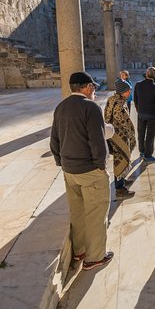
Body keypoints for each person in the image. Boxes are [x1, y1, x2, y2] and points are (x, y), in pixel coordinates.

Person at [50, 71, 115, 271]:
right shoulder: (91, 107)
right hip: (90, 170)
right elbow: (97, 141)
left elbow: (54, 140)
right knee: (96, 214)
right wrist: (100, 164)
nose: (94, 90)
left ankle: (79, 251)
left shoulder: (61, 107)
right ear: (86, 87)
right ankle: (94, 257)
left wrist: (61, 161)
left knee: (78, 212)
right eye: (93, 87)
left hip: (70, 171)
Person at [104, 78, 136, 198]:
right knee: (120, 159)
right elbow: (123, 122)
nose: (129, 93)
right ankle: (119, 189)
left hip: (116, 135)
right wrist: (130, 133)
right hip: (118, 136)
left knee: (122, 158)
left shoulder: (115, 99)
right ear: (122, 91)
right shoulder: (118, 104)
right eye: (128, 91)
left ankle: (122, 180)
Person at [133, 66, 155, 162]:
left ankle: (141, 151)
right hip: (153, 116)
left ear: (146, 73)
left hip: (141, 114)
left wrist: (138, 109)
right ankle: (148, 155)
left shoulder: (138, 85)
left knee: (141, 134)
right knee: (150, 136)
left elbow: (135, 99)